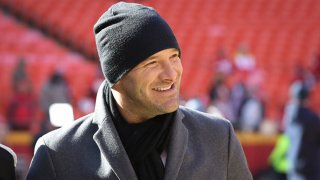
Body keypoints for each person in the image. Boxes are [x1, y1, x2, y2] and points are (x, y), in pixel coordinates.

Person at [27, 2, 252, 179]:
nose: (171, 74)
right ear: (116, 77)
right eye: (151, 63)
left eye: (174, 57)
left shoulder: (219, 138)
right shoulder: (58, 155)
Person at [285, 84, 320, 180]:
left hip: (293, 164)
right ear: (307, 99)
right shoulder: (313, 118)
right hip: (310, 168)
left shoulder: (288, 115)